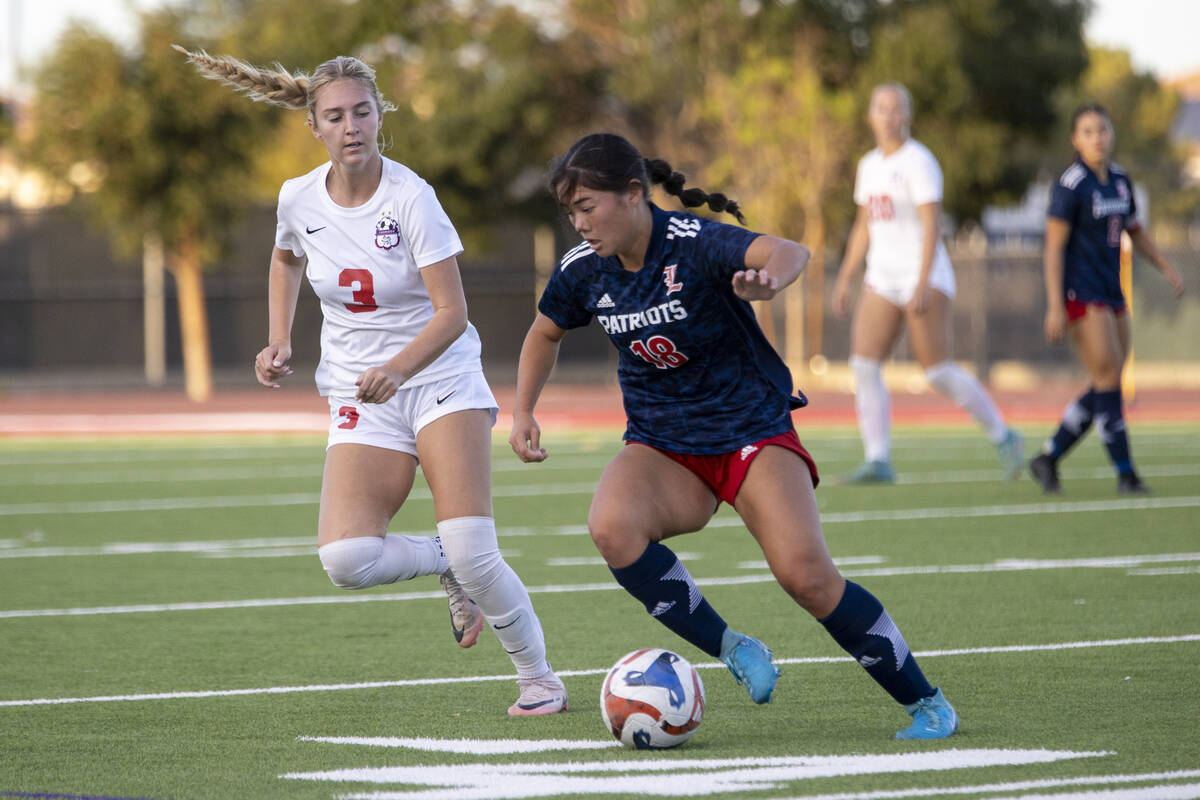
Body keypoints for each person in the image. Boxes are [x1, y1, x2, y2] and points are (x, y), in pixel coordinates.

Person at [509, 132, 958, 739]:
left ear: (634, 194)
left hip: (750, 431)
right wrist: (523, 410)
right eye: (571, 213)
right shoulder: (583, 270)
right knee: (611, 528)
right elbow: (544, 334)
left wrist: (770, 281)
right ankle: (731, 646)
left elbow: (789, 251)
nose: (579, 223)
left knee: (806, 575)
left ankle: (926, 702)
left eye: (588, 207)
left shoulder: (694, 243)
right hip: (662, 444)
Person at [175, 46, 566, 715]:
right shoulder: (297, 197)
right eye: (336, 116)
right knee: (347, 559)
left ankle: (539, 677)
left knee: (480, 550)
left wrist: (397, 368)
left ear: (379, 117)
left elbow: (453, 314)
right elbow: (285, 257)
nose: (351, 125)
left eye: (362, 112)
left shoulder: (412, 198)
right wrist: (279, 338)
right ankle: (443, 559)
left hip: (438, 378)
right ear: (315, 127)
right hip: (363, 395)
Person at [832, 83, 1023, 484]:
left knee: (936, 371)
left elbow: (932, 224)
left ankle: (1004, 435)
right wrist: (846, 277)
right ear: (870, 116)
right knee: (864, 365)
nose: (888, 116)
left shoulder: (919, 161)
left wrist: (921, 282)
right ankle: (878, 459)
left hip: (923, 274)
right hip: (881, 277)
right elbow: (864, 225)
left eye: (896, 108)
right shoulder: (868, 165)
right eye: (881, 108)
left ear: (908, 116)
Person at [1029, 103, 1184, 494]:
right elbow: (1053, 248)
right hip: (1081, 292)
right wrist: (1053, 305)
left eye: (1102, 130)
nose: (1097, 138)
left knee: (1106, 381)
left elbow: (1134, 228)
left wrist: (1165, 265)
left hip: (1113, 290)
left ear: (1111, 134)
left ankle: (1048, 457)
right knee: (1109, 378)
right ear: (1075, 140)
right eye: (1087, 131)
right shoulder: (1071, 184)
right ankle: (1126, 473)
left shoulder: (1119, 179)